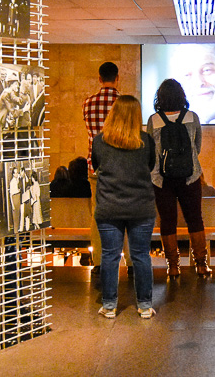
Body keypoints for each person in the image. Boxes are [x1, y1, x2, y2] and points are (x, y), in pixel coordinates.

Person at [91, 95, 157, 319]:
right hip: (141, 207)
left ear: (113, 114)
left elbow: (97, 165)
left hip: (109, 206)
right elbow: (150, 166)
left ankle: (109, 306)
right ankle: (145, 306)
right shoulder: (146, 141)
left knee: (109, 255)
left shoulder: (100, 141)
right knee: (140, 255)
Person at [146, 79, 210, 278]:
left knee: (167, 221)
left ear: (160, 97)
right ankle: (200, 264)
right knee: (195, 219)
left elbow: (150, 150)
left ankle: (173, 266)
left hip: (161, 179)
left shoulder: (153, 120)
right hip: (189, 176)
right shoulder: (192, 117)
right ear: (182, 95)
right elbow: (196, 147)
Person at [82, 61, 120, 276]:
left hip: (95, 166)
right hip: (121, 166)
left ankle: (98, 261)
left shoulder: (88, 103)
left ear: (99, 78)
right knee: (124, 213)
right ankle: (129, 262)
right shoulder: (123, 103)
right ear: (117, 77)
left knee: (98, 214)